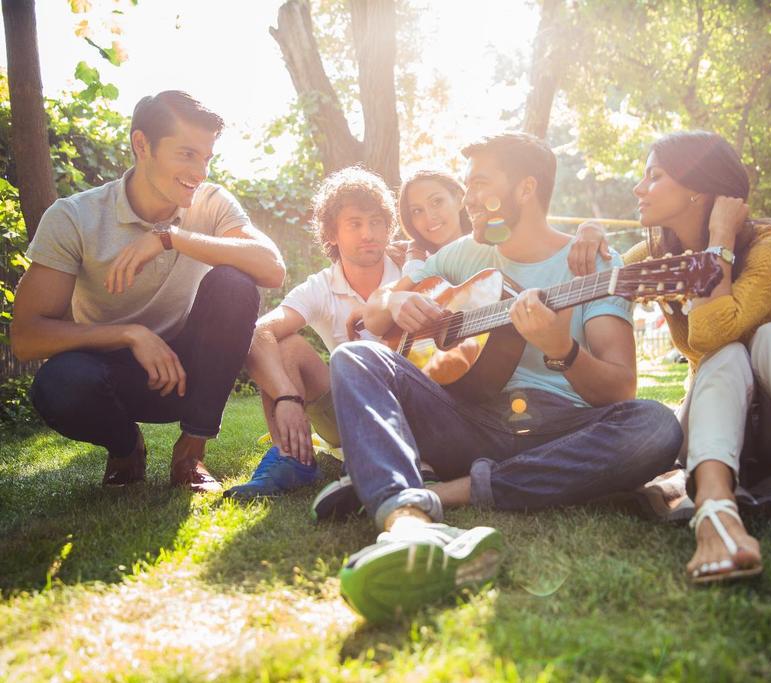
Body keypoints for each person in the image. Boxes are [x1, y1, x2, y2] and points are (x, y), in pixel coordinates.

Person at [331, 132, 683, 622]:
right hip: (469, 420)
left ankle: (446, 492)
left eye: (479, 183)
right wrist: (393, 300)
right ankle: (407, 522)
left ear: (525, 189)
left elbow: (619, 387)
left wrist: (563, 350)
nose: (467, 198)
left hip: (558, 429)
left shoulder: (595, 264)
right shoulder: (461, 254)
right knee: (355, 357)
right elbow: (373, 316)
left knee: (655, 425)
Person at [571, 131, 771, 589]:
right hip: (710, 426)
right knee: (727, 353)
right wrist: (588, 233)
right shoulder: (658, 256)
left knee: (770, 336)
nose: (639, 189)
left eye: (654, 177)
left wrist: (719, 240)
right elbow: (605, 268)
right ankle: (716, 509)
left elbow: (711, 332)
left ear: (698, 187)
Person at [12, 90, 285, 492]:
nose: (200, 172)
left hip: (189, 371)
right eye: (186, 154)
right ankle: (126, 448)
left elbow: (272, 268)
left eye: (206, 158)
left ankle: (191, 452)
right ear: (142, 145)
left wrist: (169, 237)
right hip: (109, 374)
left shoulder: (210, 203)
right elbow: (27, 336)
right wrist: (130, 334)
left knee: (235, 283)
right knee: (58, 383)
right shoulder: (74, 217)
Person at [223, 167, 404, 501]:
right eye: (355, 223)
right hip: (349, 413)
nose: (369, 233)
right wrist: (287, 397)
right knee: (285, 345)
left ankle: (388, 458)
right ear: (332, 234)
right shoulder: (321, 286)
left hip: (412, 406)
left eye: (377, 221)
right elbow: (259, 332)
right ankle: (292, 458)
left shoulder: (412, 269)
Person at [396, 168, 473, 278]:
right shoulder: (407, 263)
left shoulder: (491, 252)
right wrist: (413, 258)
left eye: (437, 202)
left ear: (459, 199)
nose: (429, 217)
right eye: (417, 211)